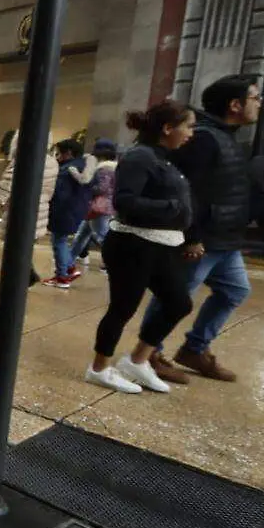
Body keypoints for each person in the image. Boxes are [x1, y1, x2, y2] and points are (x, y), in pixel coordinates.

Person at [142, 75, 259, 383]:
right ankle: (147, 353)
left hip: (225, 238)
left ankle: (195, 348)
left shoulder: (226, 136)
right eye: (255, 98)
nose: (259, 104)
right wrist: (191, 236)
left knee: (234, 290)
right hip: (203, 238)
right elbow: (183, 189)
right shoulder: (206, 138)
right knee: (175, 296)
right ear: (235, 105)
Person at [86, 101, 196, 393]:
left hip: (161, 245)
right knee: (123, 308)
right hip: (133, 245)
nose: (191, 133)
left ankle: (137, 361)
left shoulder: (165, 158)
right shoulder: (140, 157)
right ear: (168, 128)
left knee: (179, 303)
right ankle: (99, 368)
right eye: (188, 126)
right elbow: (124, 201)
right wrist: (172, 208)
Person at [0, 137, 60, 287]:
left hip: (20, 212)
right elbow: (50, 191)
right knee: (24, 249)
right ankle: (26, 276)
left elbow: (3, 190)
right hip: (40, 211)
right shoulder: (52, 162)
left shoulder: (23, 159)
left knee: (13, 250)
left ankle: (18, 280)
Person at [43, 139, 92, 289]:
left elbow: (59, 193)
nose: (57, 157)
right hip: (75, 210)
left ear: (69, 153)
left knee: (59, 242)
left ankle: (62, 276)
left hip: (63, 210)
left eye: (59, 153)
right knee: (61, 240)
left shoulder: (67, 170)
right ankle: (70, 268)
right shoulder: (82, 166)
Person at [68, 138, 118, 273]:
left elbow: (102, 188)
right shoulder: (113, 167)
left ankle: (116, 264)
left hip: (99, 207)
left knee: (102, 237)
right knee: (82, 235)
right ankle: (68, 261)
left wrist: (86, 185)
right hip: (102, 206)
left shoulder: (104, 168)